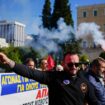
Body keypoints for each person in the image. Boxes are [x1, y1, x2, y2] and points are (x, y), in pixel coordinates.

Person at [0, 52, 100, 105]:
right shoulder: (54, 77)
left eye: (76, 64)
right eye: (70, 64)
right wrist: (9, 61)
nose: (74, 66)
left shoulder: (85, 82)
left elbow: (94, 102)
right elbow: (31, 73)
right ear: (63, 64)